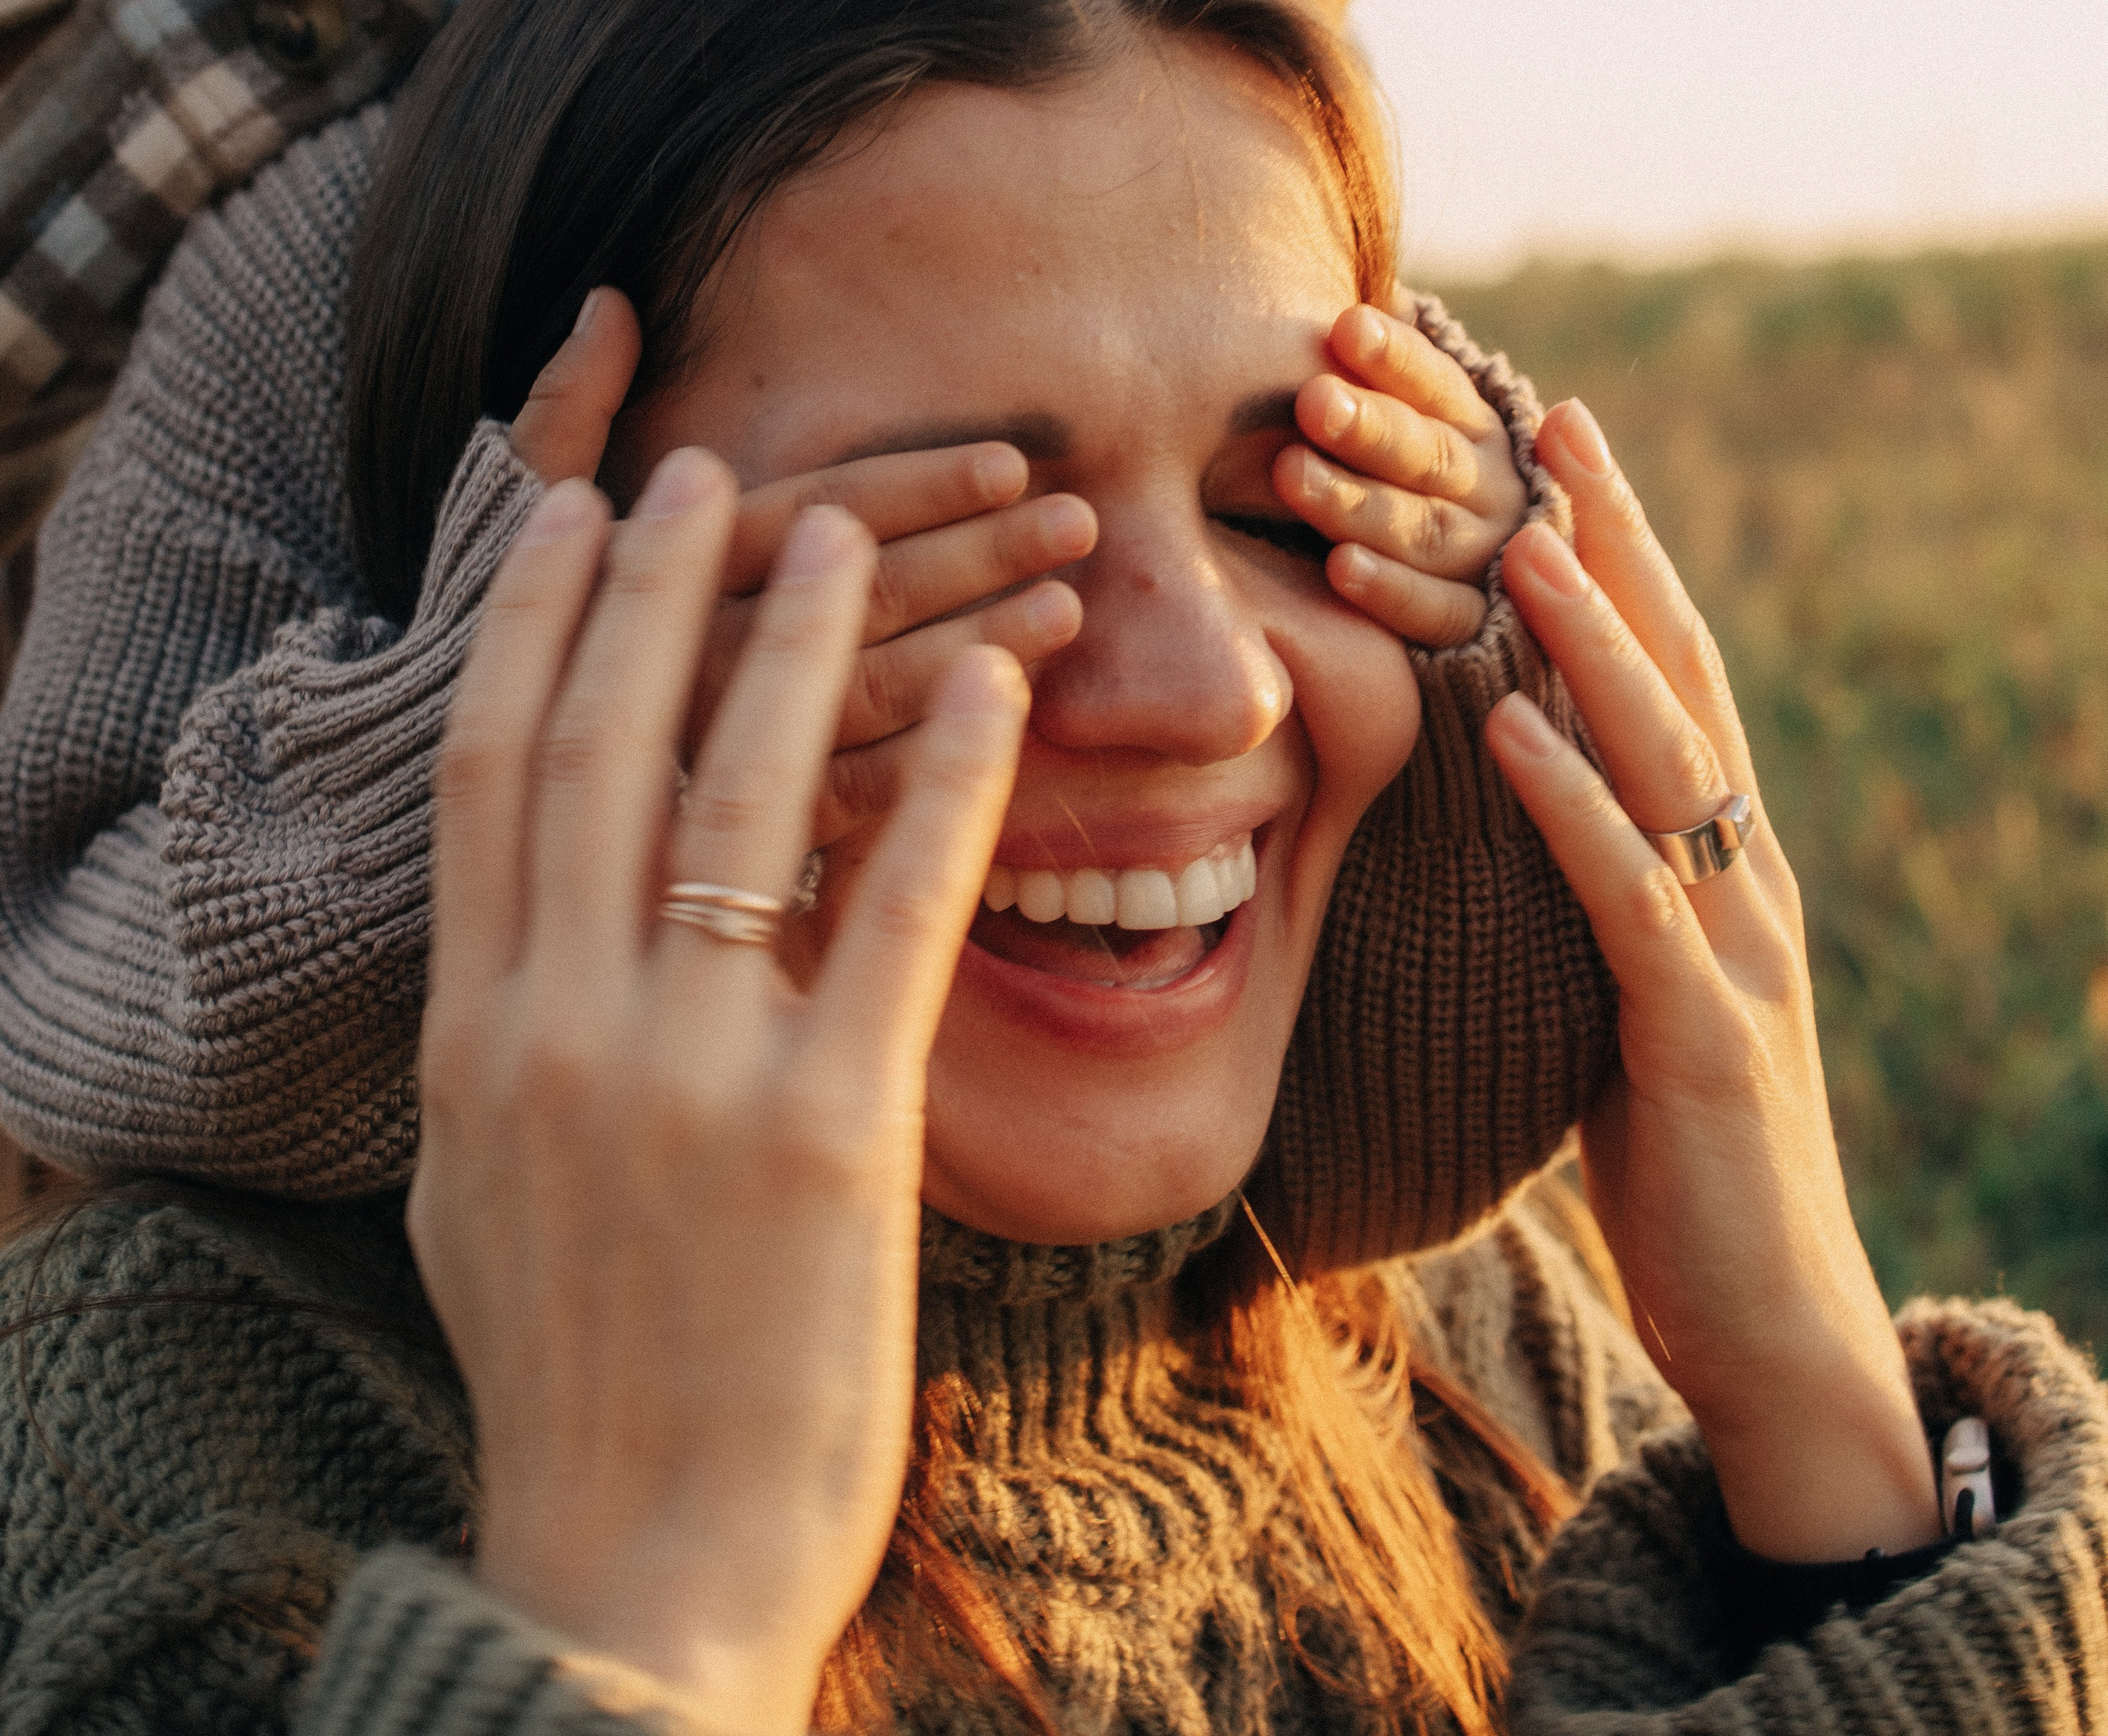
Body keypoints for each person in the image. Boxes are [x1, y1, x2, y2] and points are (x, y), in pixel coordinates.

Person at [0, 2, 2101, 1732]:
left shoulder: (1458, 1330)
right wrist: (648, 1612)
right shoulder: (169, 1465)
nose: (1208, 695)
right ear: (509, 656)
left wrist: (1829, 1442)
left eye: (1294, 506)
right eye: (937, 550)